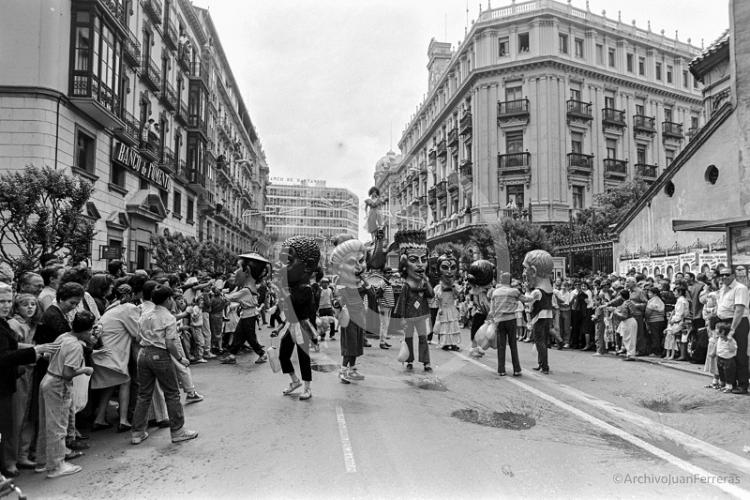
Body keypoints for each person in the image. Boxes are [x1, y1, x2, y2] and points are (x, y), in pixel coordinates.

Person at [0, 284, 59, 478]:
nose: (6, 305)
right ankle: (10, 461)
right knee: (13, 420)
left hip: (20, 374)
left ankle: (19, 456)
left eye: (8, 301)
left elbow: (13, 346)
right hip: (13, 376)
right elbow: (6, 354)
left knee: (21, 417)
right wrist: (34, 351)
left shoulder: (5, 323)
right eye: (2, 301)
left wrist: (37, 349)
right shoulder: (10, 324)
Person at [130, 285, 198, 445]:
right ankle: (178, 431)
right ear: (168, 299)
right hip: (159, 355)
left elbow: (138, 339)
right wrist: (180, 359)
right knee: (172, 393)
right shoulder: (168, 318)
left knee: (144, 394)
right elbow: (170, 343)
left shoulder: (145, 314)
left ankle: (137, 432)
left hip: (143, 354)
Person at [35, 311, 95, 478]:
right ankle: (56, 465)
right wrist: (84, 369)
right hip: (58, 384)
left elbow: (48, 355)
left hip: (47, 378)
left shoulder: (63, 337)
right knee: (58, 426)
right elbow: (68, 373)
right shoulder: (76, 346)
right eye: (91, 330)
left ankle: (42, 462)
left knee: (46, 423)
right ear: (86, 331)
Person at [90, 284, 140, 432]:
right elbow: (137, 333)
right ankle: (123, 420)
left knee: (111, 384)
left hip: (102, 352)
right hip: (113, 353)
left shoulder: (112, 307)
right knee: (125, 381)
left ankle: (100, 417)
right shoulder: (128, 308)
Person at [276, 237, 320, 400]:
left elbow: (294, 304)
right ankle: (295, 381)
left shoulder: (305, 289)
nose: (281, 266)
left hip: (302, 327)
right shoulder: (292, 287)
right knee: (283, 356)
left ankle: (307, 387)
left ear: (307, 265)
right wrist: (280, 327)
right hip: (291, 326)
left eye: (287, 260)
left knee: (303, 358)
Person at [7, 293, 42, 470]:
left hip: (30, 371)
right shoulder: (14, 325)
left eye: (33, 304)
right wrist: (34, 348)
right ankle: (14, 458)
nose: (30, 308)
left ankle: (23, 453)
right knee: (17, 416)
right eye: (25, 304)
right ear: (17, 307)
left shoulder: (31, 324)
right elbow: (11, 347)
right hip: (20, 372)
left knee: (28, 415)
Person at [391, 230, 433, 372]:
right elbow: (401, 302)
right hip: (408, 317)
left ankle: (426, 362)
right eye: (414, 260)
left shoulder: (423, 282)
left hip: (421, 315)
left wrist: (426, 282)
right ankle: (409, 360)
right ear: (404, 262)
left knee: (423, 338)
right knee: (408, 339)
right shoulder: (406, 286)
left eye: (424, 260)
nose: (420, 265)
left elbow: (431, 295)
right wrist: (401, 318)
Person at [330, 236, 367, 383]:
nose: (358, 266)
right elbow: (338, 300)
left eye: (361, 261)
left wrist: (364, 279)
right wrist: (338, 303)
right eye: (352, 262)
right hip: (349, 318)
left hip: (359, 316)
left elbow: (370, 292)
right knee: (349, 346)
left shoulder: (359, 282)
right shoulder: (341, 282)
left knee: (356, 346)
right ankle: (343, 371)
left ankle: (352, 370)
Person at [221, 253, 270, 365]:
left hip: (249, 316)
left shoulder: (246, 290)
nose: (235, 272)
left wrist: (219, 293)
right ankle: (232, 355)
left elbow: (230, 298)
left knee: (250, 337)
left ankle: (262, 354)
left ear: (247, 270)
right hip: (247, 315)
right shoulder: (249, 288)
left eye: (238, 268)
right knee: (239, 335)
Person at [716, 267, 749, 394]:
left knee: (739, 353)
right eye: (722, 275)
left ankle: (742, 384)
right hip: (724, 322)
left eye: (727, 275)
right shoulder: (723, 288)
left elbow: (739, 310)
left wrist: (732, 329)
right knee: (727, 354)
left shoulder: (740, 288)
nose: (724, 277)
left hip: (737, 322)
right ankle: (731, 383)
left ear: (733, 275)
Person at [490, 272, 530, 376]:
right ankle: (516, 369)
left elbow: (492, 309)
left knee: (501, 345)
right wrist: (536, 295)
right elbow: (525, 299)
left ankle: (501, 370)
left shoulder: (495, 292)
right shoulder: (514, 291)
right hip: (511, 319)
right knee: (513, 345)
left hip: (499, 320)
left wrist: (493, 320)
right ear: (510, 281)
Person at [523, 250, 555, 374]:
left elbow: (528, 301)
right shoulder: (550, 289)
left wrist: (525, 290)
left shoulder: (537, 291)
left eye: (526, 269)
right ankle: (541, 363)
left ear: (534, 271)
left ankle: (545, 366)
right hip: (547, 317)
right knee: (542, 341)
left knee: (539, 341)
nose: (524, 273)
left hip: (539, 318)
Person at [433, 250, 462, 351]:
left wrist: (453, 287)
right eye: (445, 267)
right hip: (443, 309)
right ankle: (444, 343)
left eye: (452, 268)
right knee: (444, 326)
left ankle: (453, 343)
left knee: (453, 326)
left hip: (451, 308)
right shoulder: (438, 287)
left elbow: (458, 296)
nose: (449, 271)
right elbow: (437, 298)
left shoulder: (455, 286)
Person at [613, 289, 638, 361]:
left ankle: (630, 355)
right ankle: (630, 354)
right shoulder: (630, 302)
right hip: (632, 320)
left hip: (628, 321)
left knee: (629, 339)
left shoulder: (625, 304)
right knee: (630, 338)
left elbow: (624, 316)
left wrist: (615, 312)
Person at [716, 322, 738, 393]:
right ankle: (723, 384)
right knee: (721, 372)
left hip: (728, 360)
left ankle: (729, 386)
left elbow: (733, 349)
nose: (716, 331)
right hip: (720, 357)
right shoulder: (719, 338)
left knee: (728, 373)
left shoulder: (731, 341)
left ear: (724, 332)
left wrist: (729, 340)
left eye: (718, 329)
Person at [645, 286, 666, 357]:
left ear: (655, 294)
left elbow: (648, 312)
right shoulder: (660, 300)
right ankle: (659, 350)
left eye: (650, 293)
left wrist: (646, 319)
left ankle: (656, 351)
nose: (648, 294)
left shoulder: (652, 301)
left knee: (655, 336)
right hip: (661, 320)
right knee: (659, 336)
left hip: (653, 321)